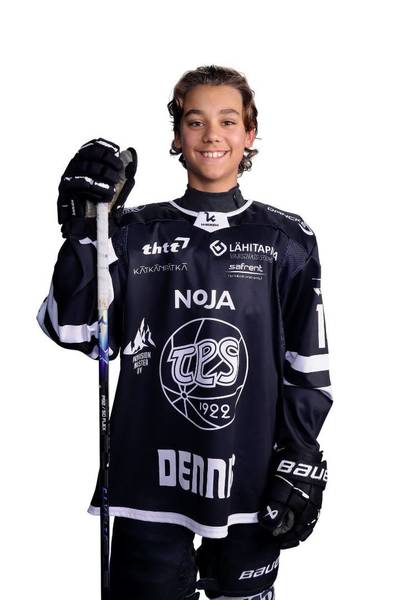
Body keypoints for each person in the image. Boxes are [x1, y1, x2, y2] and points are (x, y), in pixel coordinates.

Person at [37, 65, 332, 600]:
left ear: (250, 134)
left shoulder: (286, 238)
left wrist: (302, 454)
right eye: (195, 122)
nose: (212, 134)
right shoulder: (132, 231)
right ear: (176, 137)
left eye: (228, 121)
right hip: (148, 484)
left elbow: (306, 363)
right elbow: (75, 329)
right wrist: (84, 232)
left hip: (250, 477)